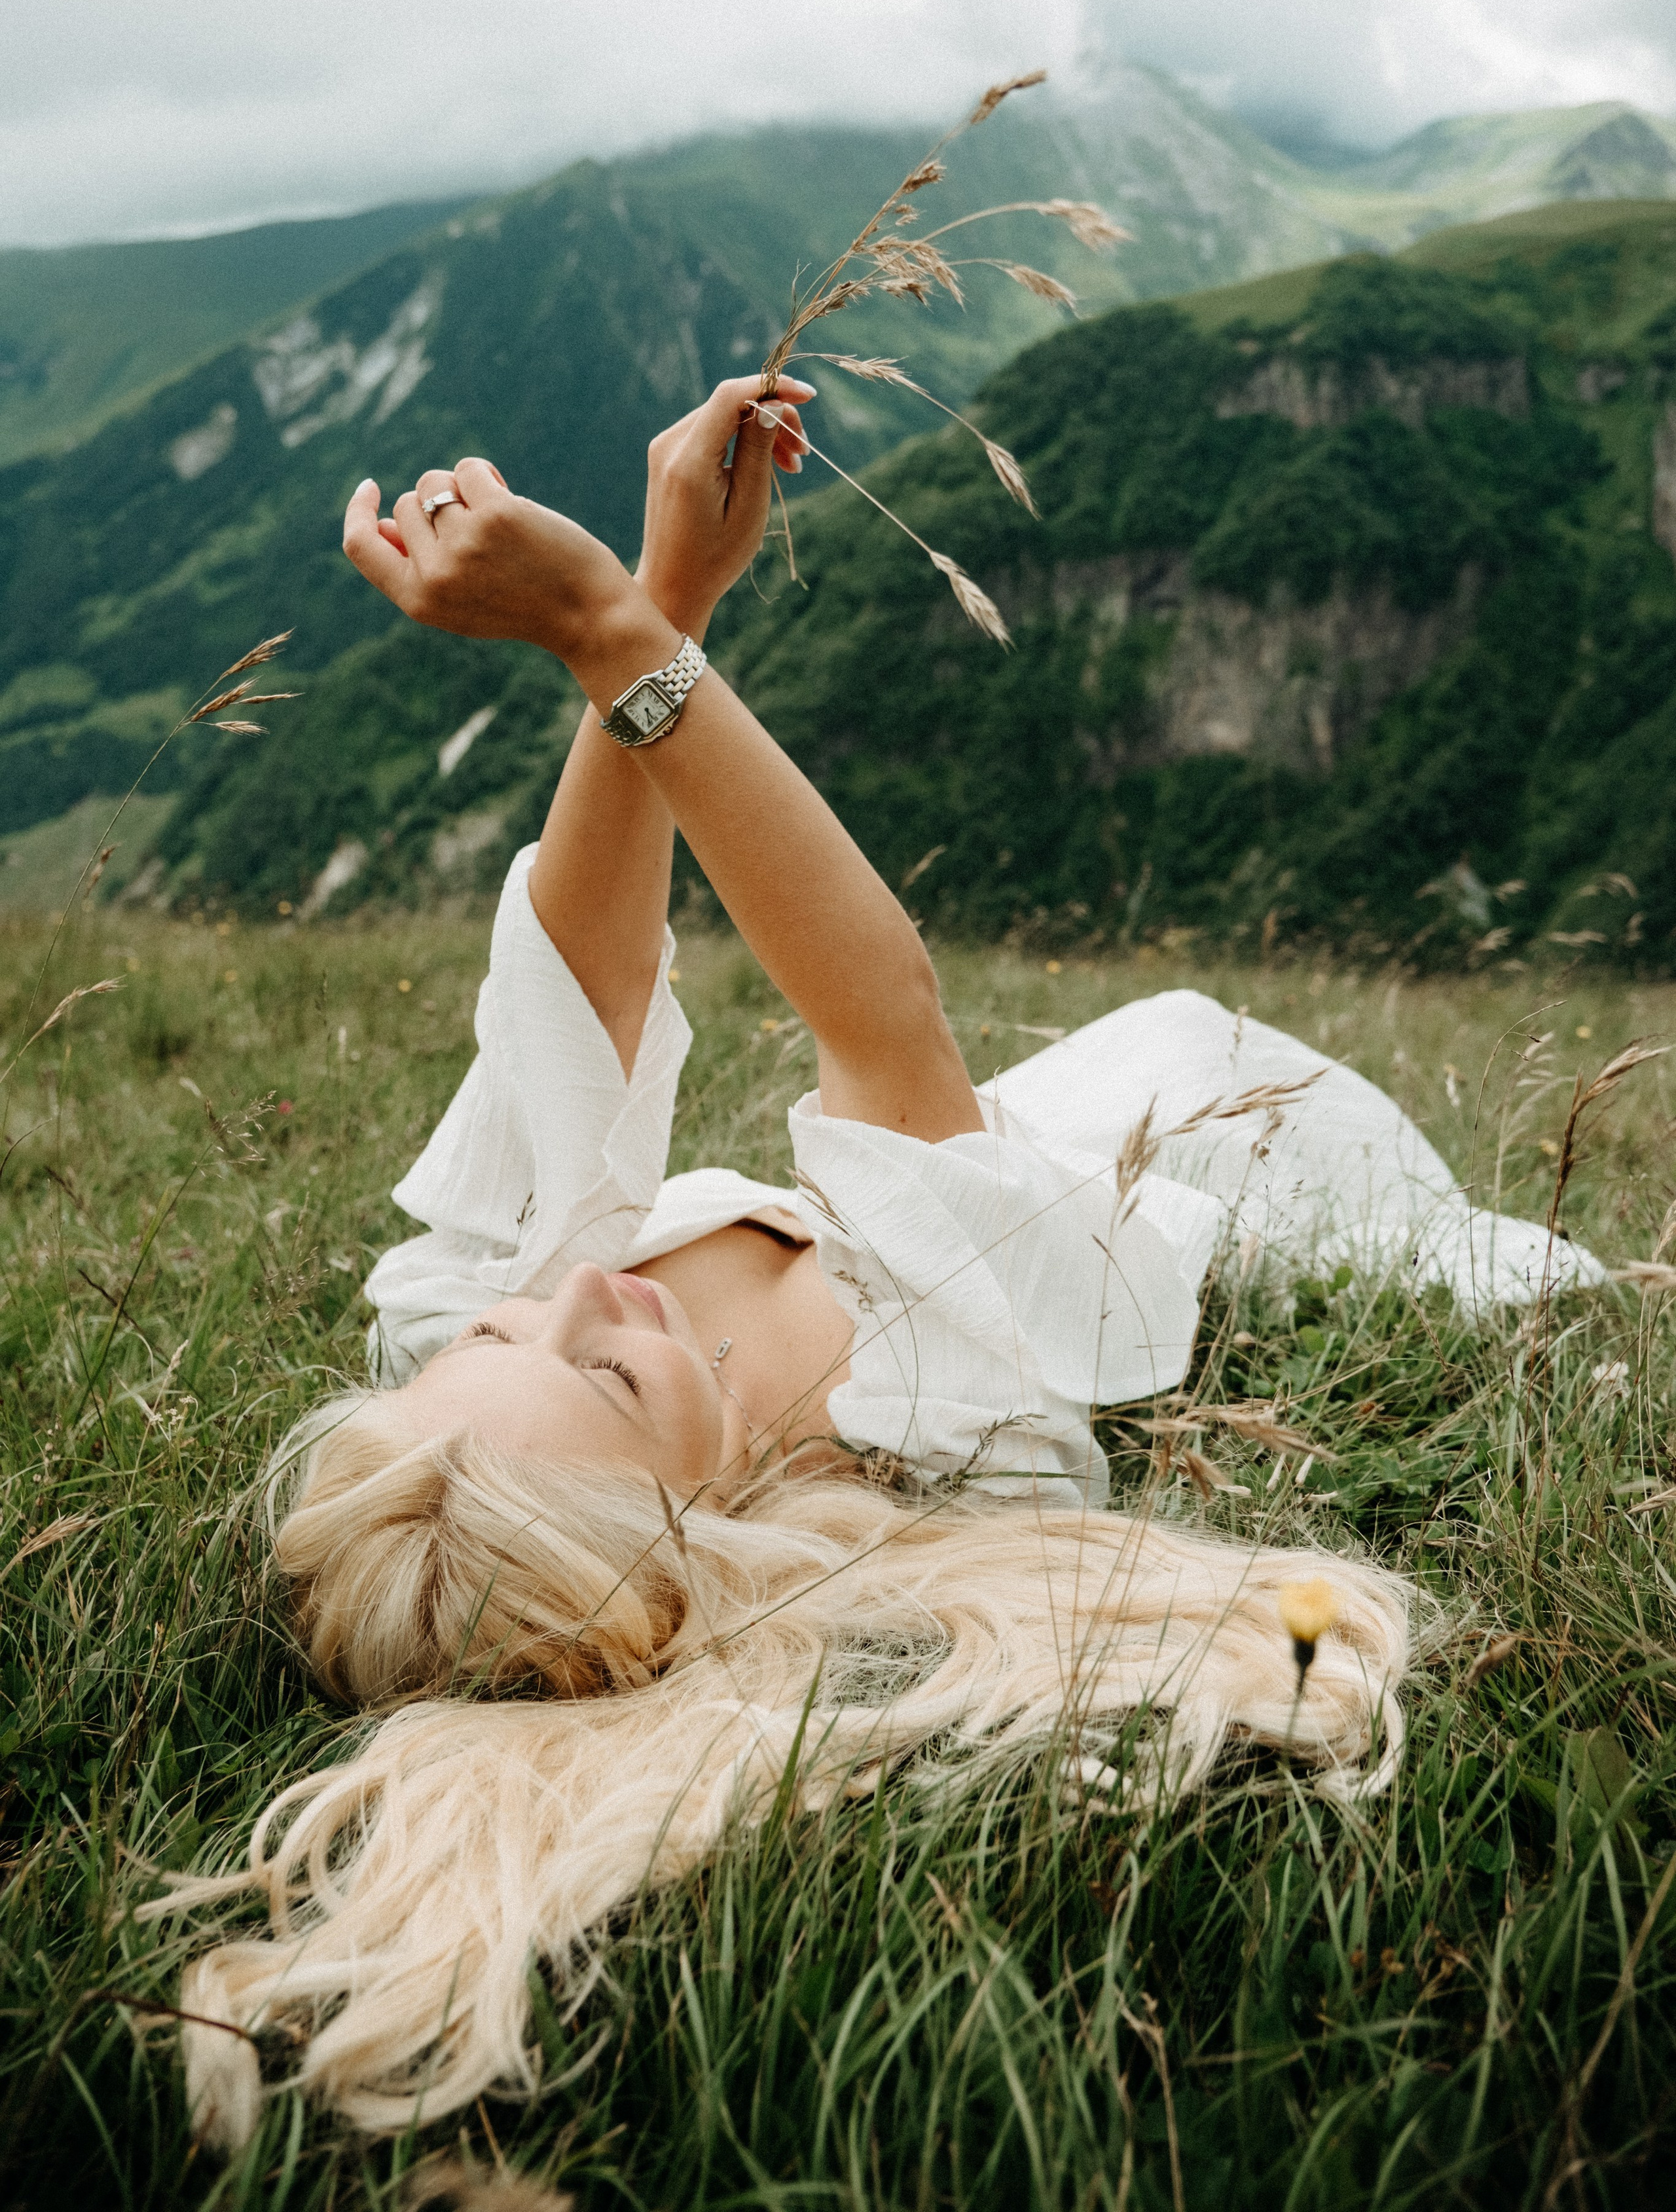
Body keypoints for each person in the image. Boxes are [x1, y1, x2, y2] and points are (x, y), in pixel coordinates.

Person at [168, 379, 1595, 2148]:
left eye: (521, 1318)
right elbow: (879, 1015)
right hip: (1274, 1143)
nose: (595, 1288)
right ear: (716, 1522)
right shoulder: (921, 1423)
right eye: (612, 1367)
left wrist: (668, 603)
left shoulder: (481, 1379)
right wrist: (607, 627)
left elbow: (577, 1000)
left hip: (1094, 1074)